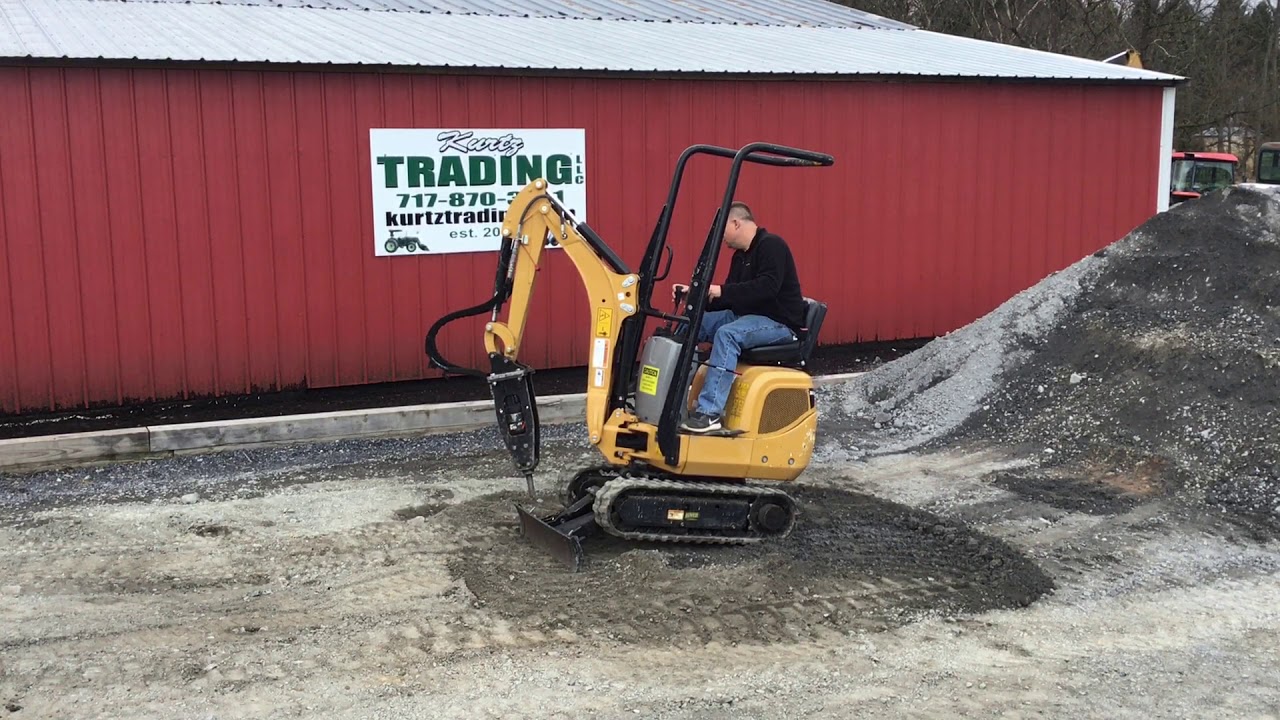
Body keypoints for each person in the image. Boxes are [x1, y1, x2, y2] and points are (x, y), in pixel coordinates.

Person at [672, 202, 807, 434]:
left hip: (778, 322)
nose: (720, 236)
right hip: (745, 317)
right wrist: (696, 296)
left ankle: (709, 414)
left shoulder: (772, 246)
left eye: (722, 229)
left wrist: (721, 290)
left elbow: (767, 288)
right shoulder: (740, 257)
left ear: (736, 223)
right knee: (691, 323)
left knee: (727, 334)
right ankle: (670, 400)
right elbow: (730, 297)